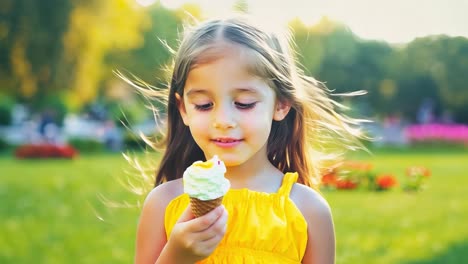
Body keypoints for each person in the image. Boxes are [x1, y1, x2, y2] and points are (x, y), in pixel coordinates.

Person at [133, 16, 365, 264]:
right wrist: (176, 256)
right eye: (204, 105)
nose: (223, 120)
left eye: (244, 104)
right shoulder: (164, 203)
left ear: (281, 104)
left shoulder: (308, 210)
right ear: (183, 109)